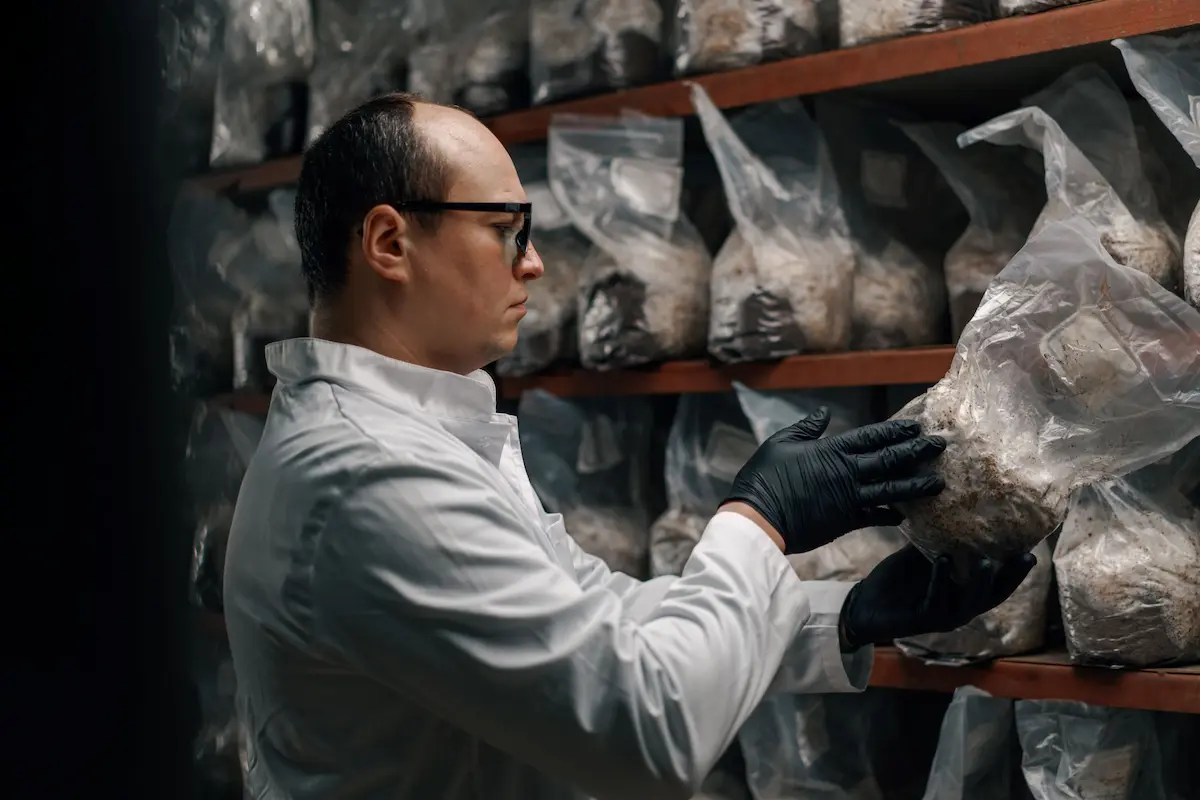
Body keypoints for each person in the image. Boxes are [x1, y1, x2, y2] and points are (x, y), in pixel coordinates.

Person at [222, 93, 1035, 800]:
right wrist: (759, 519)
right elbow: (648, 727)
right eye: (508, 229)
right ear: (390, 244)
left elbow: (599, 620)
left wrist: (841, 615)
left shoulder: (406, 441)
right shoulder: (369, 475)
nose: (535, 263)